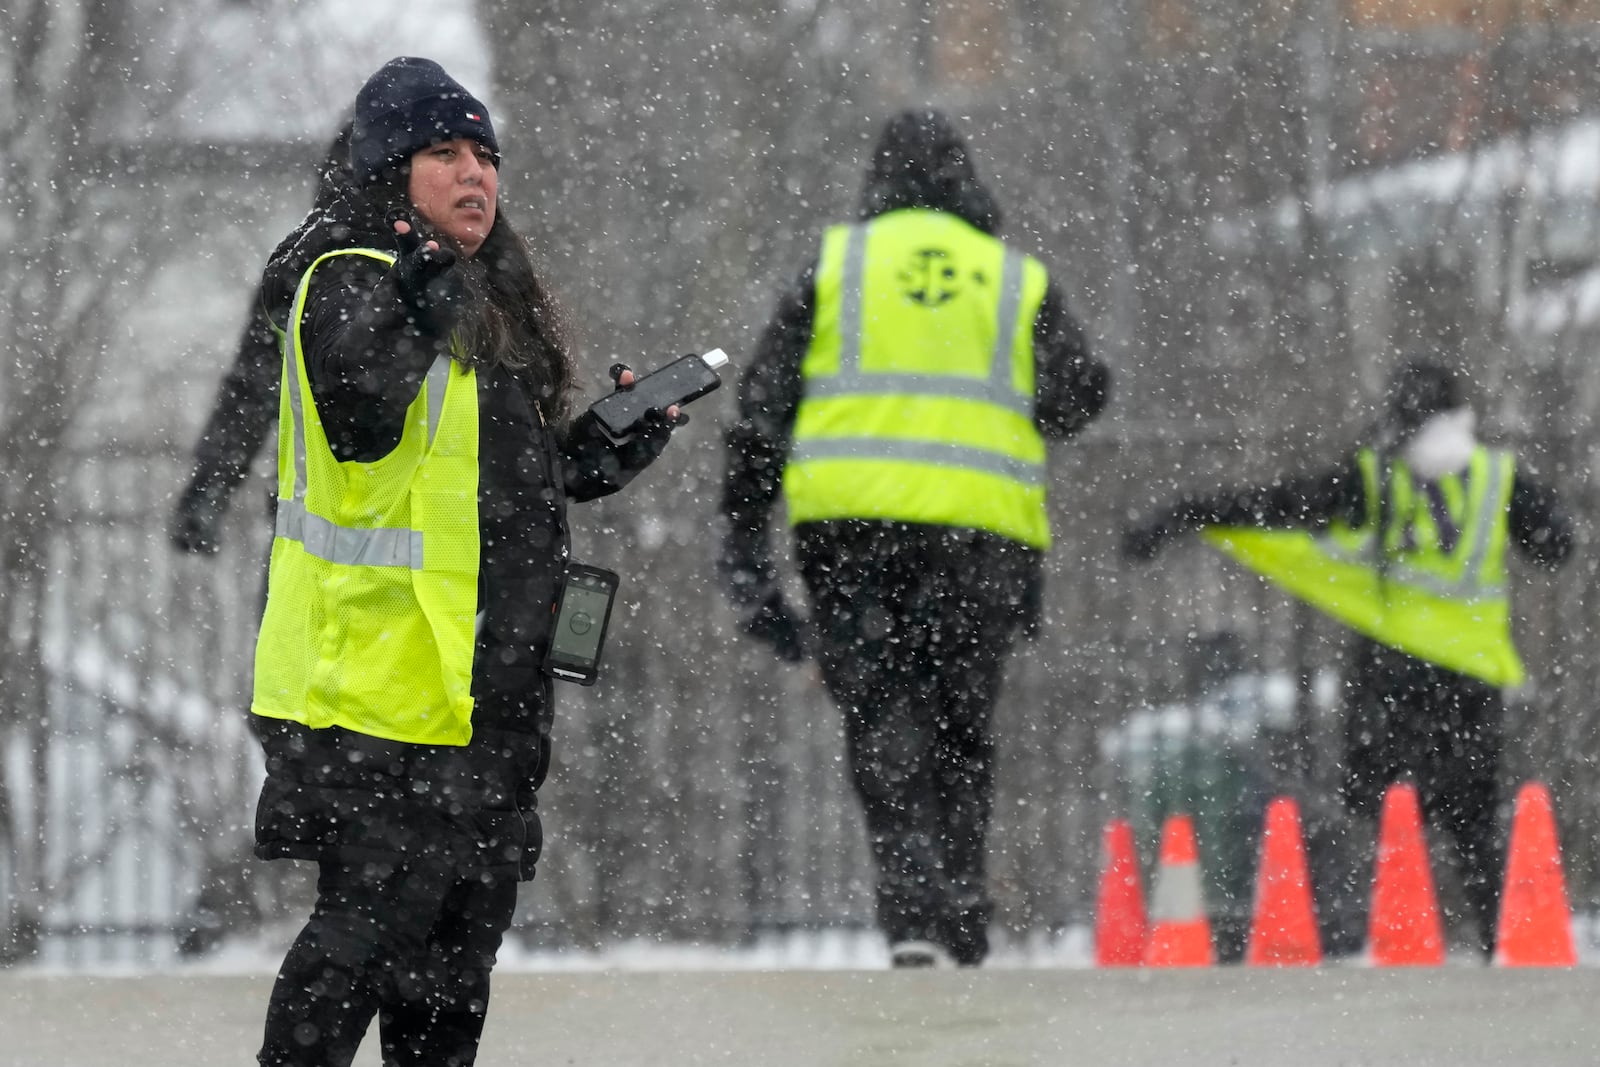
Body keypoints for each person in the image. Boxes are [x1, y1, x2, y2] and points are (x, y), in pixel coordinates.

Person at [249, 57, 685, 1067]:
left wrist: (594, 454)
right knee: (362, 936)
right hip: (376, 688)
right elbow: (361, 417)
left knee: (454, 965)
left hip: (484, 689)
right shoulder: (343, 276)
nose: (474, 173)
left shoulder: (484, 298)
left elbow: (489, 477)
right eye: (443, 151)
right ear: (389, 167)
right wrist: (420, 307)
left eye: (485, 153)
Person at [717, 109, 1111, 968]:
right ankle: (962, 907)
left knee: (882, 719)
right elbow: (1083, 392)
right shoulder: (1013, 279)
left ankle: (914, 908)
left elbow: (757, 415)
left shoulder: (837, 268)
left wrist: (746, 554)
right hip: (983, 541)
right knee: (964, 729)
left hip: (853, 536)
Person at [1122, 358, 1573, 958]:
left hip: (1390, 671)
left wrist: (1190, 512)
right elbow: (1556, 547)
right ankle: (1501, 943)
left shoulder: (1376, 477)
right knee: (1474, 826)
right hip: (1470, 673)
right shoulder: (1500, 477)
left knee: (1379, 804)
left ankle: (1380, 926)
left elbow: (1281, 503)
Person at [170, 120, 356, 555]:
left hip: (315, 531)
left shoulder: (300, 272)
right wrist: (210, 486)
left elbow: (252, 387)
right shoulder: (300, 274)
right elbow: (253, 386)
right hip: (320, 531)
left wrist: (211, 486)